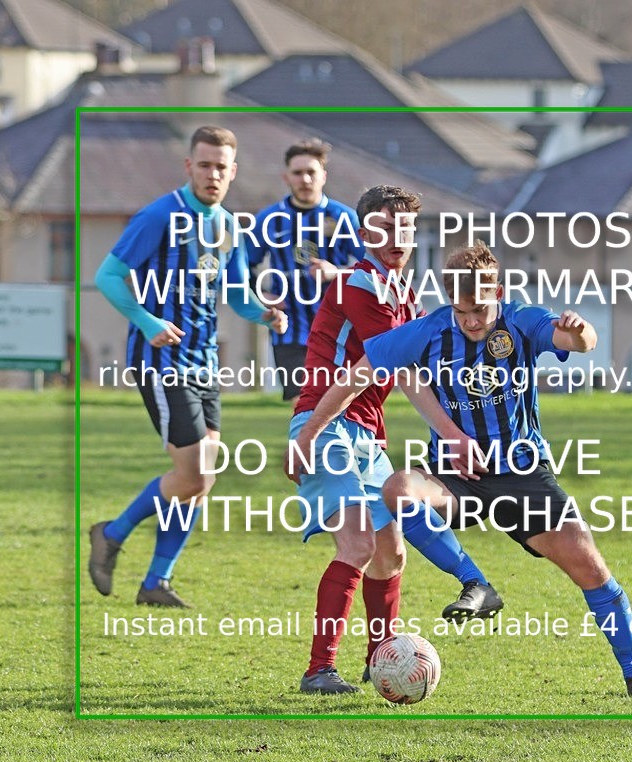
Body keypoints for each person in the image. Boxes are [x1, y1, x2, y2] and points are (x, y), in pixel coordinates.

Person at [290, 241, 632, 698]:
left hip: (522, 475)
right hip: (457, 475)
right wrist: (309, 433)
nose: (471, 320)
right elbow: (357, 374)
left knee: (590, 567)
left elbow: (577, 342)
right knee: (399, 488)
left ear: (500, 290)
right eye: (462, 310)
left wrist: (582, 330)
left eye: (479, 309)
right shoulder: (429, 330)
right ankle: (476, 582)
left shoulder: (523, 319)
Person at [285, 185, 502, 696]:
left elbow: (428, 368)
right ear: (365, 233)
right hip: (325, 426)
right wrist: (451, 435)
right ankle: (319, 670)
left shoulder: (402, 293)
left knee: (392, 555)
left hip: (368, 438)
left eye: (404, 229)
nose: (396, 238)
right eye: (384, 228)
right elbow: (401, 370)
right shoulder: (362, 286)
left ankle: (378, 661)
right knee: (359, 544)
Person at [88, 125, 287, 608]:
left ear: (233, 172)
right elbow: (108, 275)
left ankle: (156, 581)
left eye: (222, 167)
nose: (213, 174)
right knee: (195, 473)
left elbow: (235, 292)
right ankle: (111, 534)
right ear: (189, 167)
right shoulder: (160, 215)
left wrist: (263, 312)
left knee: (203, 480)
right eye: (204, 165)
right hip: (160, 360)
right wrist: (145, 317)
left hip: (205, 363)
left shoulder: (230, 228)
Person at [246, 139, 366, 405]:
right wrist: (260, 295)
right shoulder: (268, 220)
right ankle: (305, 447)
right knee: (304, 405)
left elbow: (372, 266)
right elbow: (243, 267)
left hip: (337, 329)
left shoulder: (343, 218)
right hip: (288, 329)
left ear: (323, 176)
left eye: (311, 172)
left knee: (339, 405)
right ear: (286, 177)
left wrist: (336, 273)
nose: (305, 179)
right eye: (298, 173)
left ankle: (321, 447)